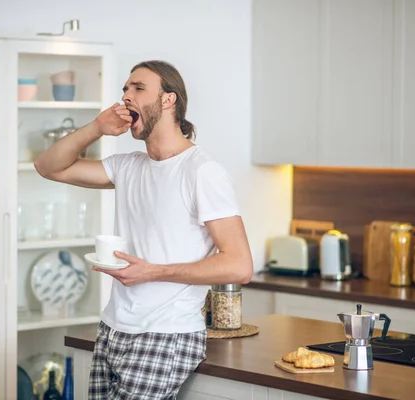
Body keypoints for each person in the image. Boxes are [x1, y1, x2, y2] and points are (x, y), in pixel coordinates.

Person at [34, 60, 253, 399]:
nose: (126, 97)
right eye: (124, 89)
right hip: (113, 328)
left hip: (166, 334)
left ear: (169, 100)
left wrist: (152, 272)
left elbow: (239, 265)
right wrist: (96, 127)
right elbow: (47, 167)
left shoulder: (202, 172)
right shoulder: (128, 167)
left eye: (138, 88)